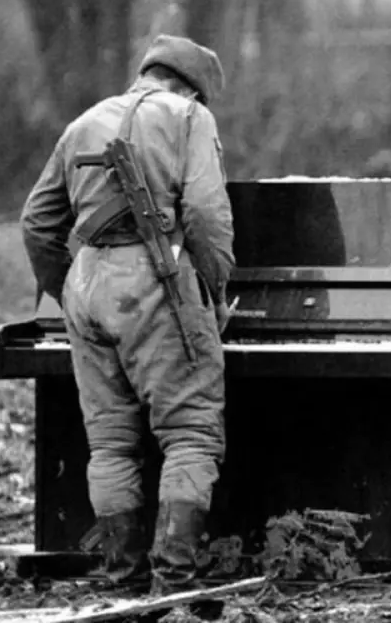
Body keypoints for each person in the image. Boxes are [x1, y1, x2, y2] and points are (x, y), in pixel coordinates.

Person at [20, 34, 234, 597]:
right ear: (194, 88)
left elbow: (37, 223)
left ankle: (122, 585)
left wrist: (66, 288)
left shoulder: (83, 122)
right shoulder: (190, 118)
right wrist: (210, 293)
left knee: (111, 445)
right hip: (156, 281)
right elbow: (206, 215)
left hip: (86, 286)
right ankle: (175, 585)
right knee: (189, 434)